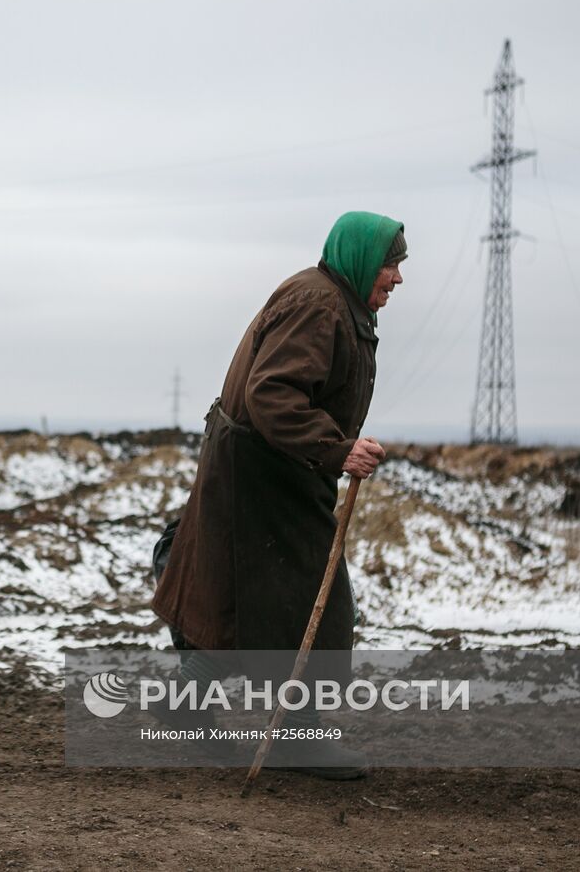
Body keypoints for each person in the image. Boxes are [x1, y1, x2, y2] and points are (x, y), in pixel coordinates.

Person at [150, 210, 406, 779]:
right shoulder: (320, 305)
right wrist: (338, 450)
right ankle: (298, 740)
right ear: (362, 259)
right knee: (314, 602)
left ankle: (189, 702)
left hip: (274, 471)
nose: (396, 278)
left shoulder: (333, 301)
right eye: (390, 264)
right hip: (265, 475)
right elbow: (272, 394)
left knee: (239, 595)